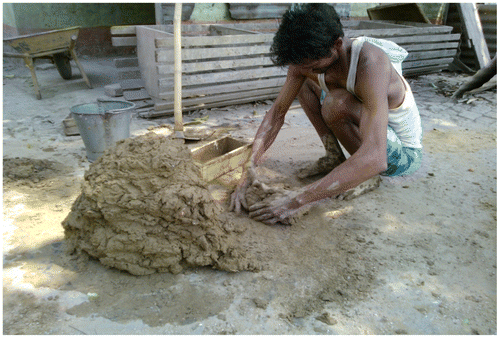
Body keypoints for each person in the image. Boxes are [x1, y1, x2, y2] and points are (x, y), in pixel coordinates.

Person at [229, 3, 423, 225]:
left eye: (314, 66)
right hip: (370, 139)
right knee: (303, 84)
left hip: (400, 155)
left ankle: (366, 178)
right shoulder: (306, 61)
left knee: (336, 103)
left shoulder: (370, 63)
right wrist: (248, 171)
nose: (305, 69)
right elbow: (276, 114)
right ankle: (334, 155)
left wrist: (297, 200)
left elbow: (376, 157)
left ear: (337, 45)